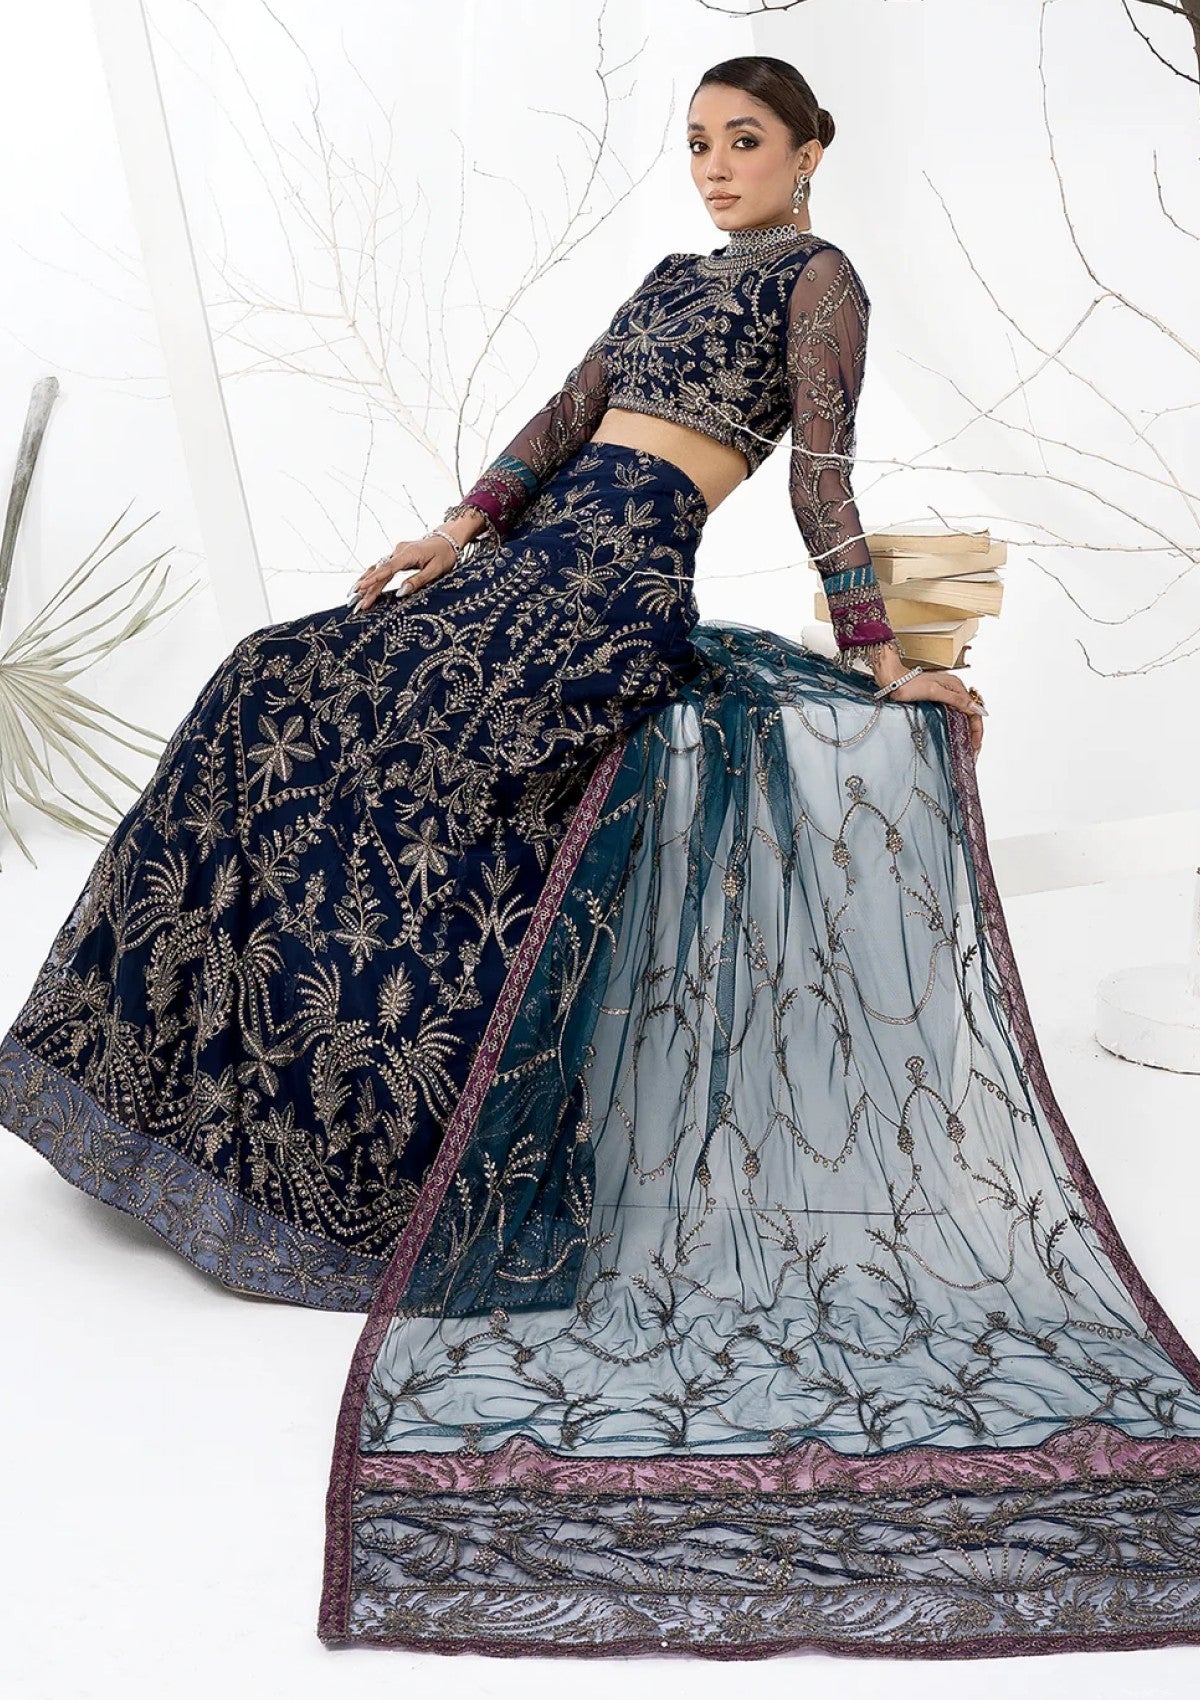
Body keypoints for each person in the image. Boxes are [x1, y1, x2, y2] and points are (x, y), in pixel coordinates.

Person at [4, 54, 1199, 1661]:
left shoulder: (821, 284)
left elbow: (823, 474)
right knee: (267, 678)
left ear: (811, 151)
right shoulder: (664, 279)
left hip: (613, 594)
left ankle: (392, 1154)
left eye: (745, 141)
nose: (715, 166)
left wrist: (880, 651)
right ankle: (212, 1100)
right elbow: (561, 420)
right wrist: (454, 532)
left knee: (414, 760)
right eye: (698, 143)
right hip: (522, 568)